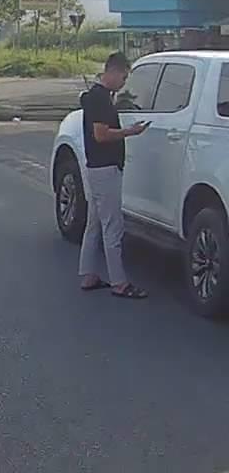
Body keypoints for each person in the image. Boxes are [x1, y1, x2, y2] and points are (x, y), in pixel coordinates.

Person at [79, 52, 150, 299]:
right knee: (113, 226)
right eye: (124, 77)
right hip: (105, 168)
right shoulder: (100, 99)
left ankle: (88, 274)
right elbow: (101, 135)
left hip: (96, 167)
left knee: (94, 223)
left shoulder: (97, 96)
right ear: (113, 71)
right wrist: (130, 132)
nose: (124, 82)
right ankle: (119, 282)